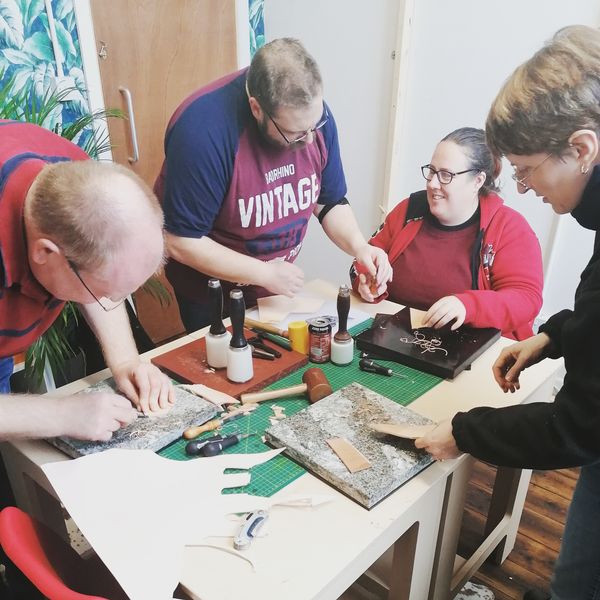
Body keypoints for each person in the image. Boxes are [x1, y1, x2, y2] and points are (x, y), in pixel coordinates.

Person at [415, 25, 600, 600]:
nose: (520, 187)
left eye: (526, 169)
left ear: (582, 148)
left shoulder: (507, 228)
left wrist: (465, 431)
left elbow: (576, 427)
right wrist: (557, 337)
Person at [155, 37, 391, 332]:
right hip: (211, 295)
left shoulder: (312, 118)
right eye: (295, 133)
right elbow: (179, 241)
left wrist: (359, 247)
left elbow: (328, 201)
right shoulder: (203, 133)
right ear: (256, 108)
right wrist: (262, 273)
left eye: (313, 128)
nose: (308, 140)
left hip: (273, 288)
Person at [0, 119, 175, 444]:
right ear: (45, 252)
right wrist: (61, 415)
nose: (111, 301)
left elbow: (100, 274)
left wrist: (126, 361)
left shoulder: (75, 183)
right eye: (105, 293)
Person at [350, 127, 543, 340]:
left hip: (469, 349)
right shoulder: (408, 210)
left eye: (446, 175)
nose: (432, 183)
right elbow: (365, 257)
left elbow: (526, 298)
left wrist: (468, 306)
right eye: (432, 171)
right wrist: (366, 280)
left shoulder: (508, 228)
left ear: (478, 181)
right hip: (396, 338)